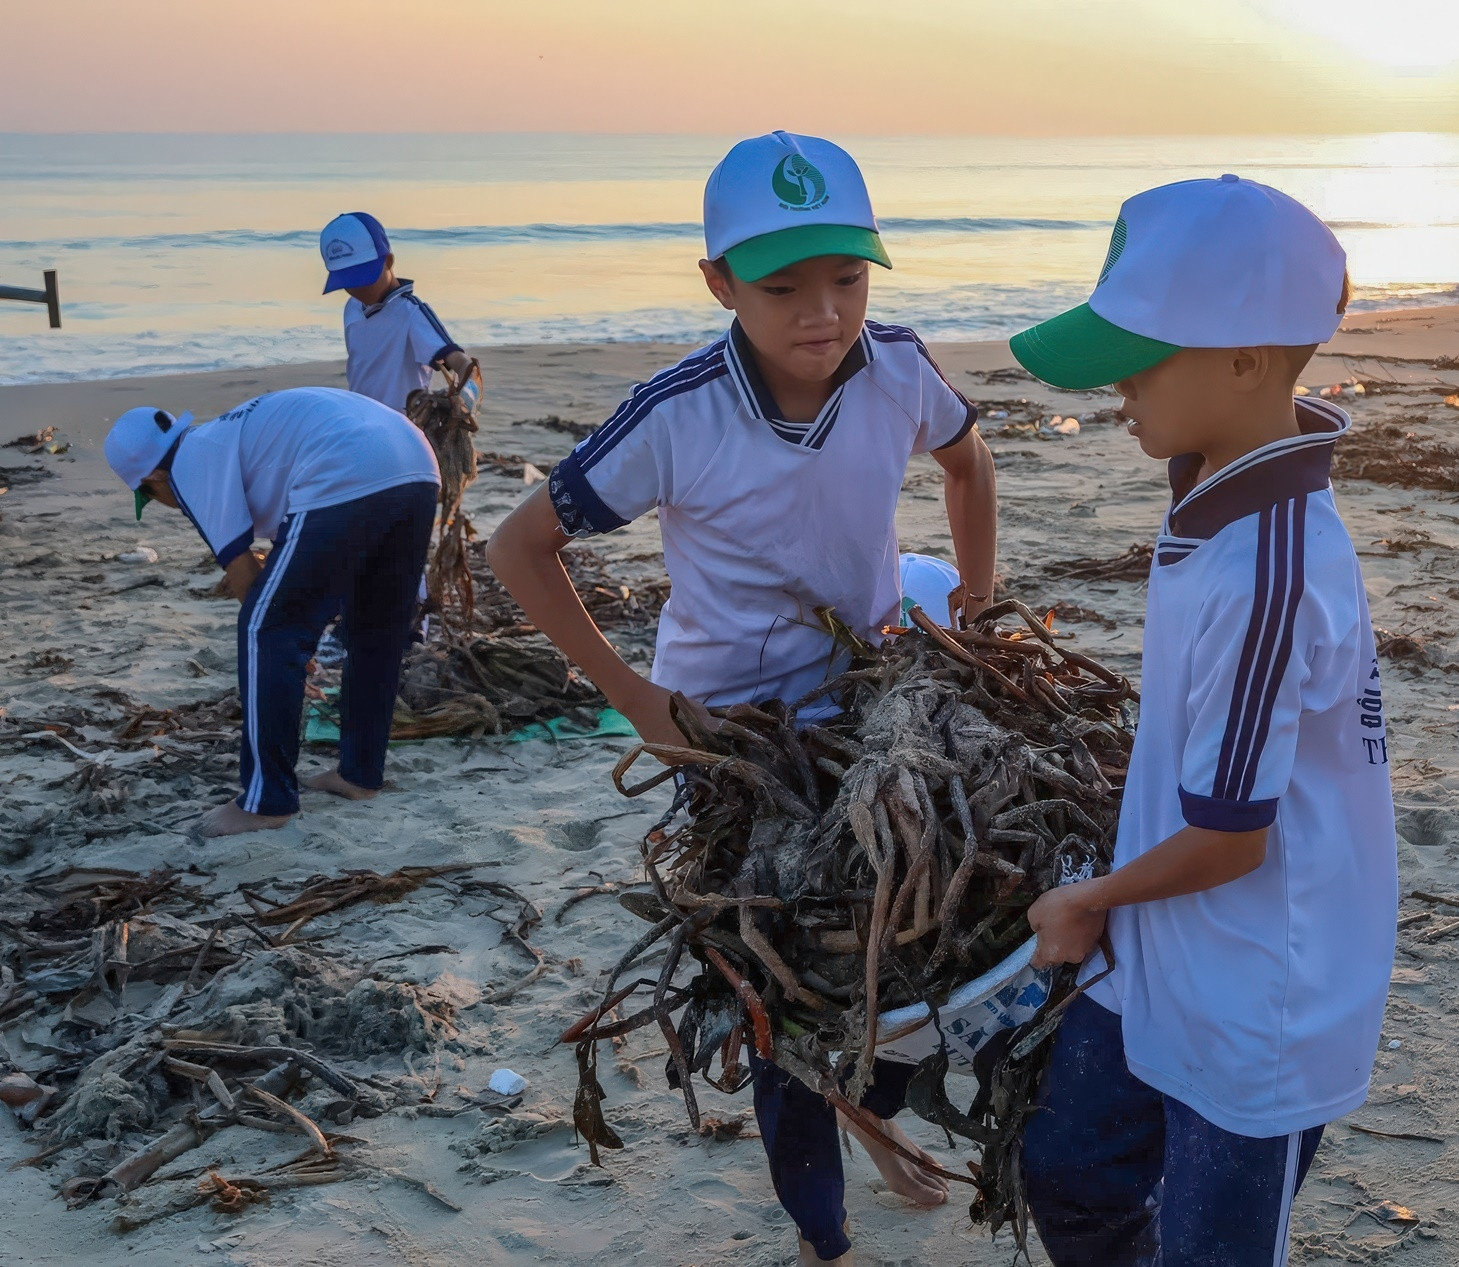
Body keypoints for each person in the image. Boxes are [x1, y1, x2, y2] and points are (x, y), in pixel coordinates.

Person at [486, 130, 998, 1265]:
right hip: (721, 735)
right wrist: (634, 699)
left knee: (912, 946)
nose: (823, 313)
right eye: (782, 288)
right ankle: (824, 1238)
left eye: (848, 280)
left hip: (870, 703)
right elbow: (518, 547)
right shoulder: (676, 413)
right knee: (775, 985)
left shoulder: (899, 367)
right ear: (719, 282)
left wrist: (973, 613)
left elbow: (970, 462)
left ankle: (874, 1110)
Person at [1010, 175, 1399, 1266]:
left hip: (1261, 995)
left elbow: (1234, 836)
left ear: (1248, 357)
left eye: (1143, 354)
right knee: (1069, 1167)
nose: (1118, 384)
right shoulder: (1211, 488)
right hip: (1162, 936)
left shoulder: (1269, 565)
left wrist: (1085, 897)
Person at [103, 387, 441, 838]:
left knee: (263, 628)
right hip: (415, 460)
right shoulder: (225, 437)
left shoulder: (187, 467)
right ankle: (360, 775)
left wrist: (287, 653)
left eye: (151, 497)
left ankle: (267, 801)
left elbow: (245, 577)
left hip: (345, 464)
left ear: (152, 481)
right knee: (374, 628)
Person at [319, 211, 481, 414]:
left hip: (404, 424)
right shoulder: (352, 308)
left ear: (387, 261)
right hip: (362, 417)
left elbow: (456, 358)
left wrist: (468, 392)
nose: (358, 288)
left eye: (362, 277)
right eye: (348, 282)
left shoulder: (410, 313)